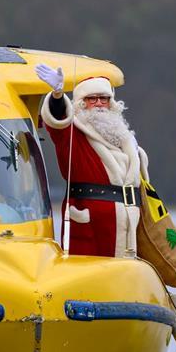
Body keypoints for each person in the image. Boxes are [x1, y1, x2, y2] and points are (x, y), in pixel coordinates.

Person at [35, 63, 148, 257]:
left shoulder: (124, 137)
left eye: (104, 98)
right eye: (91, 99)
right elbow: (57, 121)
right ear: (80, 104)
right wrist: (57, 96)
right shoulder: (73, 134)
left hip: (127, 224)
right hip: (90, 226)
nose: (98, 103)